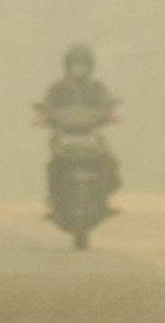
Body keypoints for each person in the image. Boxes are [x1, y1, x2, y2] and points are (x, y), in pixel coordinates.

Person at [35, 44, 121, 216]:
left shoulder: (96, 87)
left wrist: (111, 114)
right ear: (67, 65)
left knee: (108, 160)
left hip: (90, 134)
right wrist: (44, 116)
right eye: (76, 63)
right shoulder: (57, 88)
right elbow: (47, 106)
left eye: (83, 64)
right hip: (64, 135)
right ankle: (54, 199)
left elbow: (106, 104)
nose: (79, 68)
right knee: (53, 165)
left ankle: (103, 197)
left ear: (90, 66)